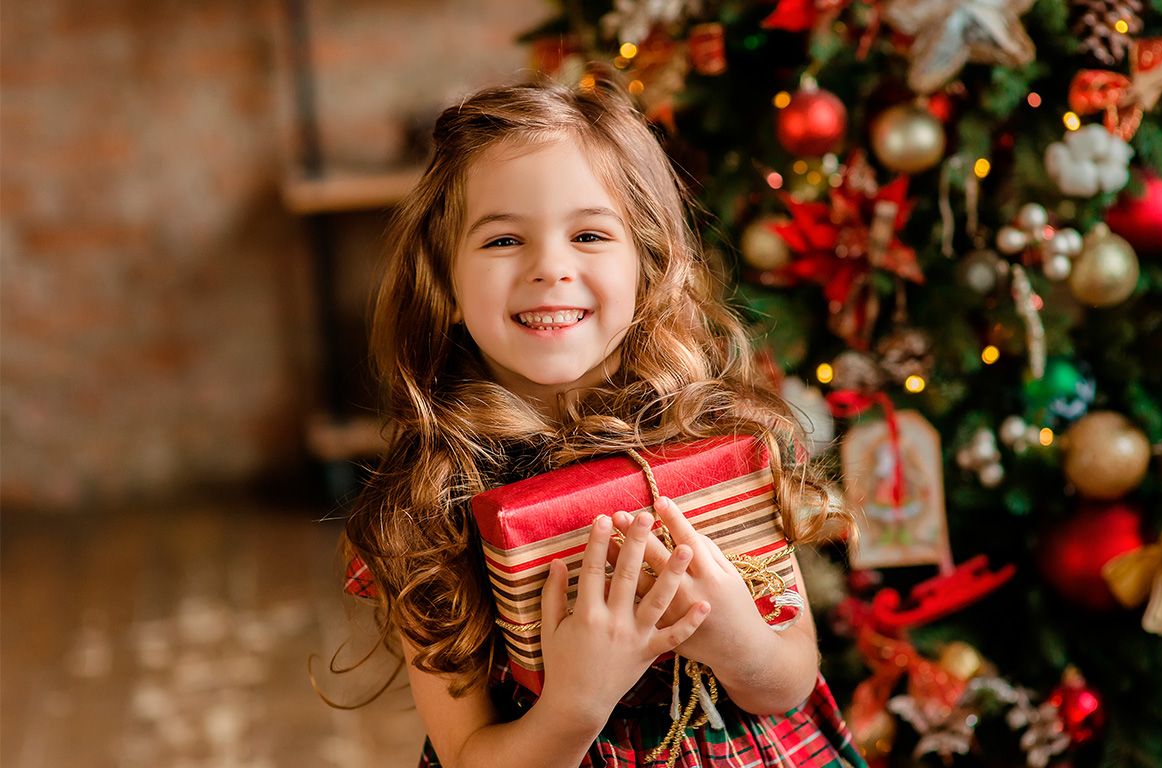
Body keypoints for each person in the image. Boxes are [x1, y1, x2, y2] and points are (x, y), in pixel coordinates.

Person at [339, 71, 866, 768]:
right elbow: (467, 754)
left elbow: (791, 678)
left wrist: (739, 639)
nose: (550, 267)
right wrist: (576, 704)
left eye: (589, 234)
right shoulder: (429, 504)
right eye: (502, 241)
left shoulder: (719, 440)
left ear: (648, 269)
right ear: (447, 285)